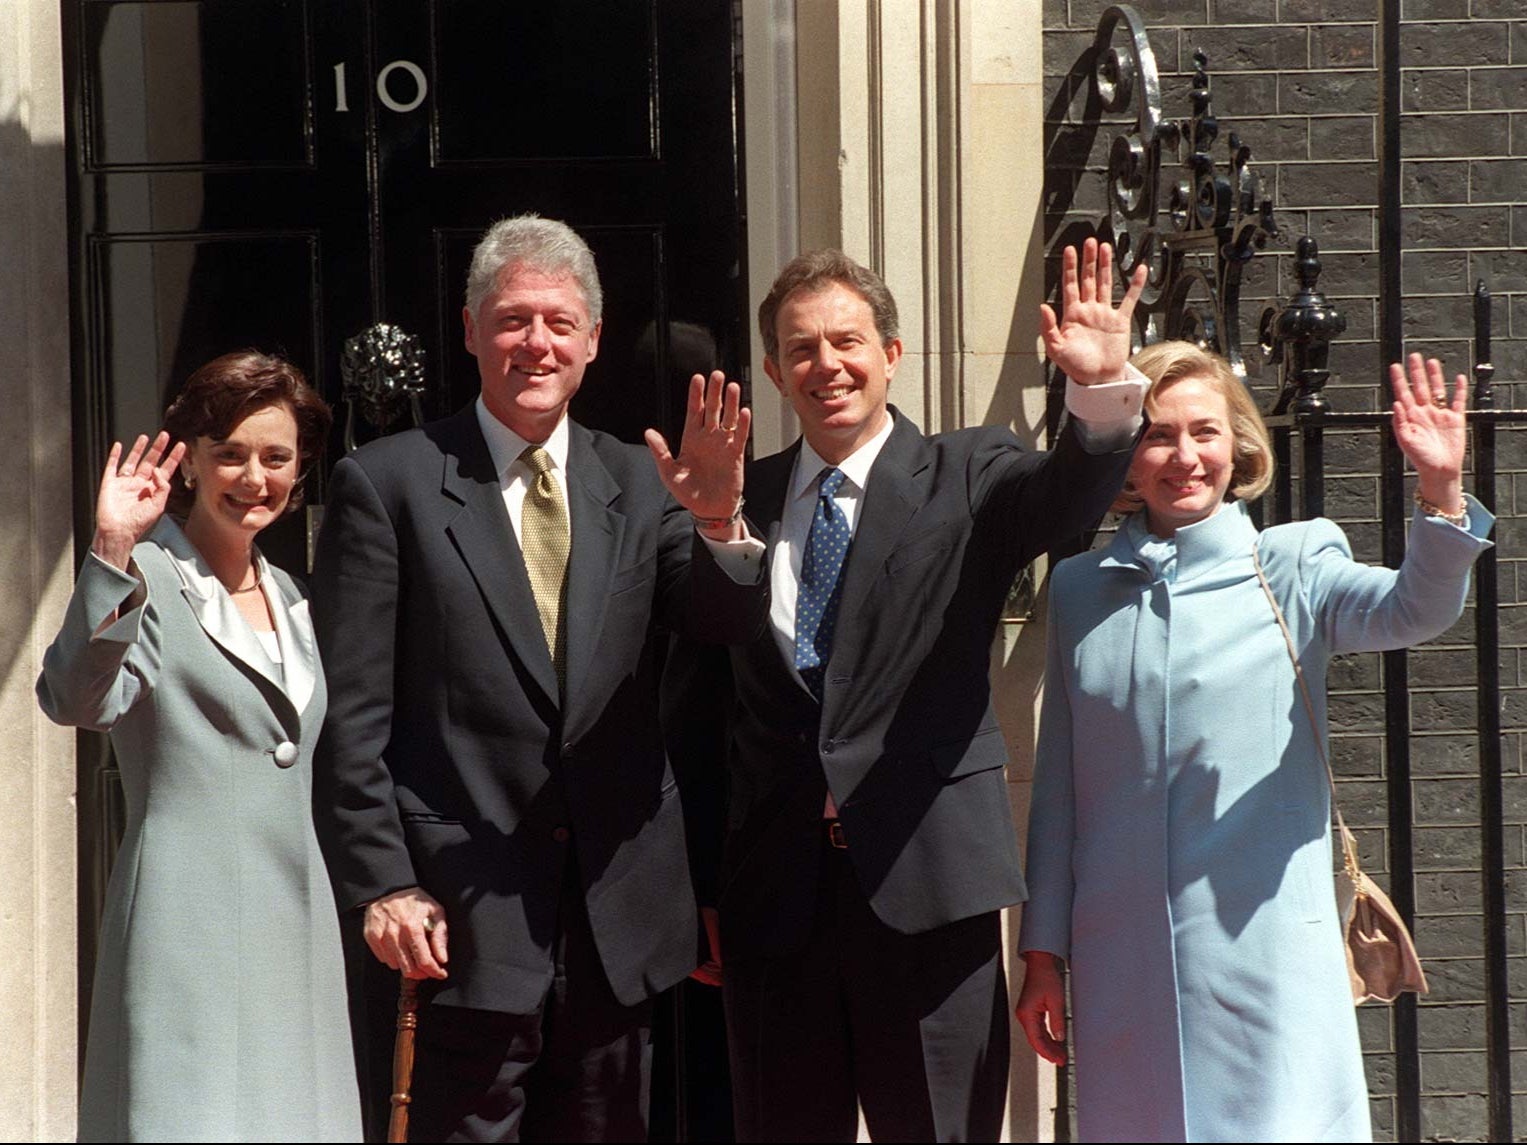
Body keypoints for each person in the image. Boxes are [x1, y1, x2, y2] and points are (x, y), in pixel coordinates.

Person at [310, 214, 768, 1143]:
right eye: (513, 319)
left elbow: (719, 626)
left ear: (593, 341)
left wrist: (719, 524)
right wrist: (382, 883)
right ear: (471, 330)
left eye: (560, 322)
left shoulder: (647, 483)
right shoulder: (387, 483)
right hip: (455, 925)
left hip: (617, 920)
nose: (536, 343)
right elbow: (351, 716)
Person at [697, 238, 1146, 1141]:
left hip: (927, 890)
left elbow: (1064, 502)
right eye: (800, 347)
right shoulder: (735, 496)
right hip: (775, 902)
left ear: (891, 355)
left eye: (847, 340)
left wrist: (1095, 398)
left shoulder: (967, 473)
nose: (826, 364)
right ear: (777, 370)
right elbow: (701, 705)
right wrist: (705, 887)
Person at [1015, 343, 1493, 1142]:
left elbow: (1412, 610)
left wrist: (1440, 492)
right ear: (1129, 456)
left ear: (1239, 446)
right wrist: (1041, 955)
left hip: (1264, 950)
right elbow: (1060, 790)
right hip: (1121, 959)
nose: (1183, 455)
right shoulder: (1078, 588)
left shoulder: (1294, 562)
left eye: (1203, 431)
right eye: (1157, 434)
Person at [37, 352, 359, 1142]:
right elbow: (74, 698)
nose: (255, 477)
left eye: (277, 458)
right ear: (191, 462)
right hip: (187, 926)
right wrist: (111, 547)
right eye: (232, 454)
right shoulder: (147, 575)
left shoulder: (292, 595)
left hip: (295, 926)